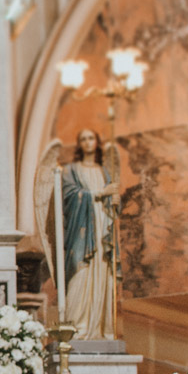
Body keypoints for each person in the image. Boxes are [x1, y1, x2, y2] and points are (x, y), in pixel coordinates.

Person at [63, 128, 117, 340]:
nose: (87, 142)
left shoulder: (104, 171)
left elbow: (112, 205)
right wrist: (98, 193)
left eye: (91, 138)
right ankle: (77, 326)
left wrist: (114, 203)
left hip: (102, 229)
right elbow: (68, 197)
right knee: (80, 275)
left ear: (97, 142)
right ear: (79, 144)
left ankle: (99, 329)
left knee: (102, 276)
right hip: (82, 232)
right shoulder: (71, 170)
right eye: (83, 139)